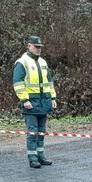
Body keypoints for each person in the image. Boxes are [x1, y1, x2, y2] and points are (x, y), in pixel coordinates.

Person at [12, 35, 58, 168]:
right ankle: (32, 158)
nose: (39, 49)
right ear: (29, 46)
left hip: (44, 102)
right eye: (36, 47)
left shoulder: (43, 62)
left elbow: (49, 83)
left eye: (40, 47)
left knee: (41, 131)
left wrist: (53, 98)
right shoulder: (22, 62)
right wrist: (24, 99)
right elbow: (18, 83)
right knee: (32, 131)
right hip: (31, 103)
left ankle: (41, 155)